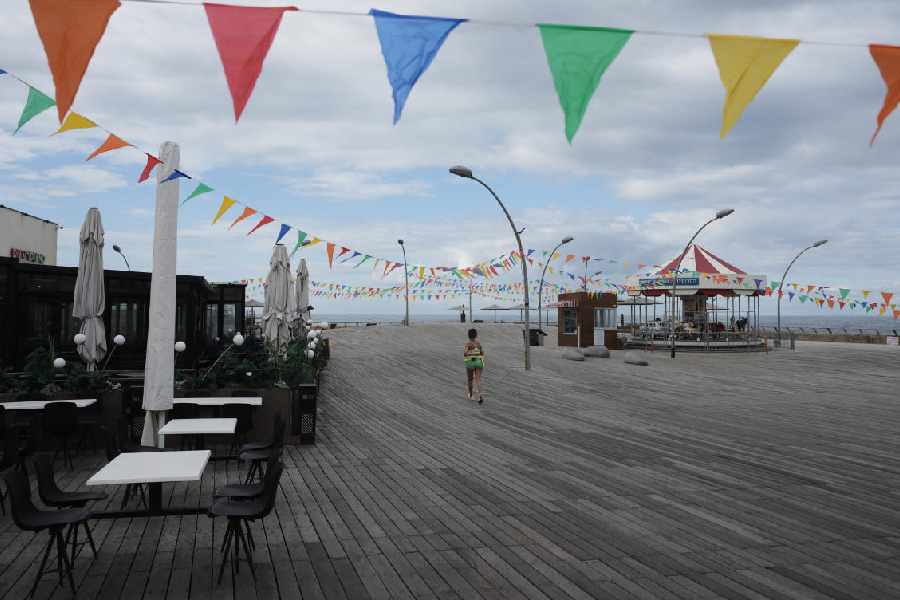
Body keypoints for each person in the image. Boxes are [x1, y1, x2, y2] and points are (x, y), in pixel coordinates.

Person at [463, 328, 485, 403]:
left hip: (471, 363)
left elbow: (465, 353)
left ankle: (471, 395)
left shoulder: (468, 344)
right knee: (478, 380)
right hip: (478, 362)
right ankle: (480, 396)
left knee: (470, 379)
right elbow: (482, 353)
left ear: (468, 335)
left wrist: (470, 353)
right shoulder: (478, 344)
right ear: (476, 335)